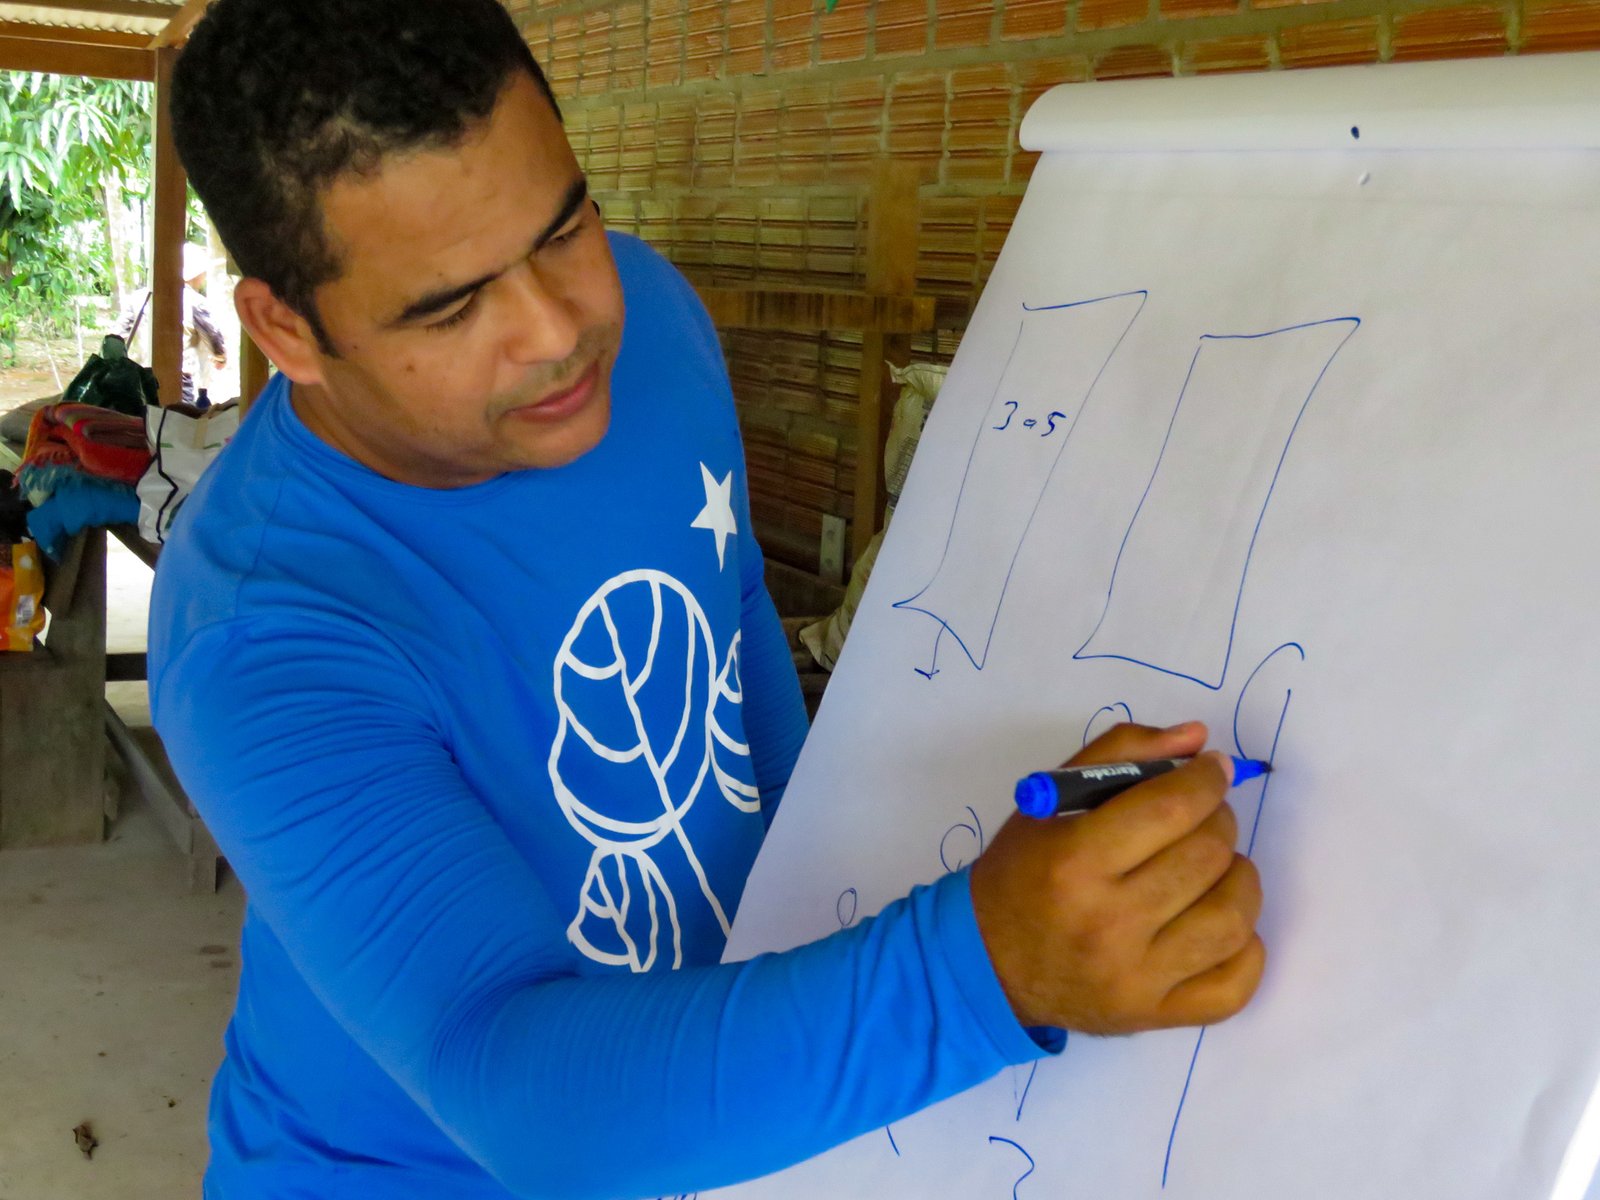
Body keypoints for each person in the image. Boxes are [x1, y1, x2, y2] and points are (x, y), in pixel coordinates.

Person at [148, 1, 1266, 1197]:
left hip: (738, 1116)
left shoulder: (650, 320)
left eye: (564, 228)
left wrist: (858, 907)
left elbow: (744, 679)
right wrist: (987, 968)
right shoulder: (262, 635)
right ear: (285, 329)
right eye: (452, 307)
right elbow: (513, 1079)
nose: (558, 333)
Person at [111, 241, 227, 405]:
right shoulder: (196, 302)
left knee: (147, 416)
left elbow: (116, 336)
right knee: (177, 417)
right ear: (195, 274)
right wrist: (220, 357)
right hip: (181, 379)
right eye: (203, 273)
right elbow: (212, 335)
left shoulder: (138, 298)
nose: (204, 277)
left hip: (141, 376)